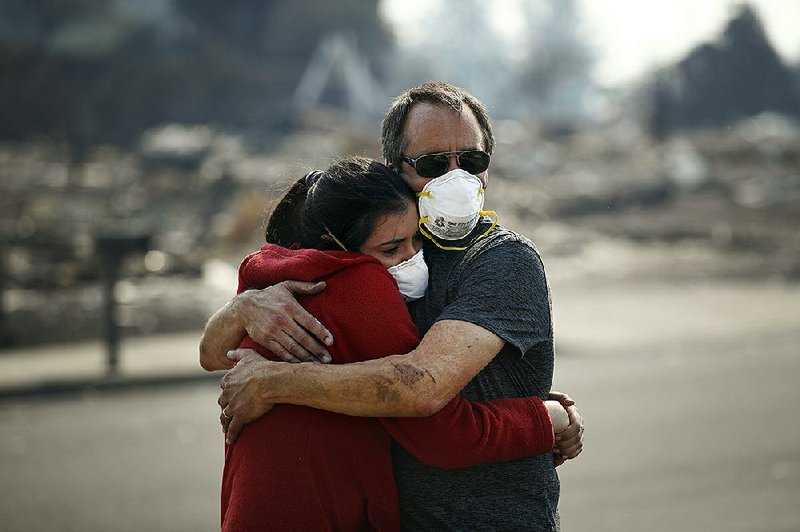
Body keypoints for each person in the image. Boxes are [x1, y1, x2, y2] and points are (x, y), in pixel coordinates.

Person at [204, 81, 584, 531]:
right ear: (393, 170)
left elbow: (419, 388)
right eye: (432, 163)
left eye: (472, 160)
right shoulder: (358, 260)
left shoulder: (501, 260)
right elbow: (213, 355)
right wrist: (245, 308)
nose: (455, 177)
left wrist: (274, 382)